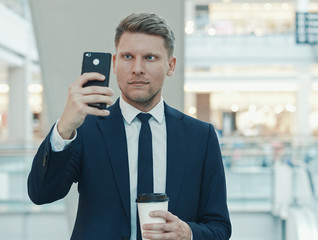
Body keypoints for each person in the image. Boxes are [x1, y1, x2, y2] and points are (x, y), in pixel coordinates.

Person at [27, 13, 231, 240]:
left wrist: (189, 233)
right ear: (114, 64)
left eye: (150, 57)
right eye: (127, 56)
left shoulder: (201, 137)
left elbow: (219, 227)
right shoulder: (84, 129)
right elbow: (41, 193)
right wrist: (64, 128)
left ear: (170, 66)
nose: (137, 68)